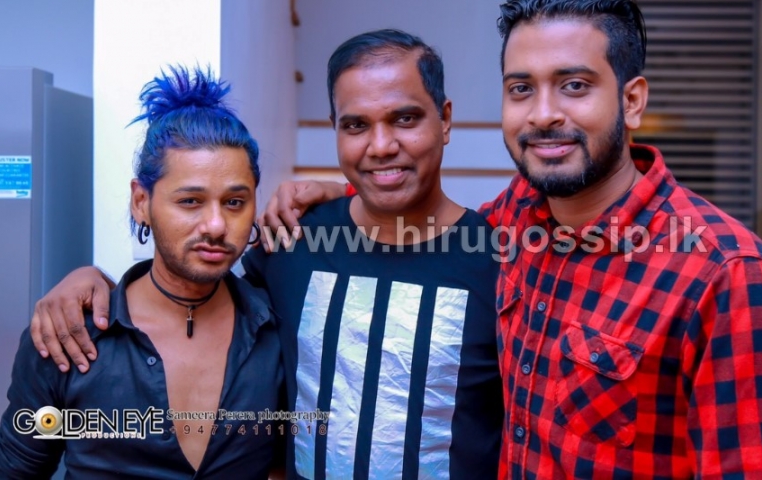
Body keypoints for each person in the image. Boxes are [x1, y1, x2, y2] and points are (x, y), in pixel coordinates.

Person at [259, 0, 762, 478]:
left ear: (631, 101)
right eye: (521, 88)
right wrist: (341, 192)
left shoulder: (725, 274)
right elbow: (418, 216)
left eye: (574, 85)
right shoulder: (516, 218)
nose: (543, 113)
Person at [27, 31, 504, 480]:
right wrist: (91, 281)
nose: (381, 146)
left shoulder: (501, 262)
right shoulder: (293, 242)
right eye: (356, 125)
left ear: (445, 119)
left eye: (405, 119)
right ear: (335, 131)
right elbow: (191, 292)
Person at [0, 67, 284, 479]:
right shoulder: (71, 334)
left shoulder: (276, 329)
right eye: (190, 201)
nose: (217, 225)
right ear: (141, 201)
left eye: (235, 202)